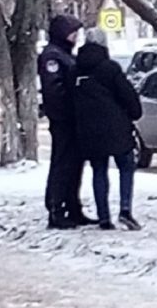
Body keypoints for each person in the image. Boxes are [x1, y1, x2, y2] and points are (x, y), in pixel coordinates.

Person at [71, 28, 143, 231]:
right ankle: (125, 211)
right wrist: (134, 113)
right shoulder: (110, 68)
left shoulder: (75, 70)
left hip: (89, 130)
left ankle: (104, 217)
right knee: (126, 167)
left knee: (99, 170)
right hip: (116, 127)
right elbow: (127, 95)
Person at [38, 14, 97, 229]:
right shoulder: (52, 56)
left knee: (74, 164)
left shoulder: (65, 54)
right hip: (64, 120)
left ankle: (73, 207)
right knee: (62, 164)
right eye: (73, 32)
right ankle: (56, 209)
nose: (75, 37)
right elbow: (54, 91)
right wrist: (67, 113)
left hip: (73, 119)